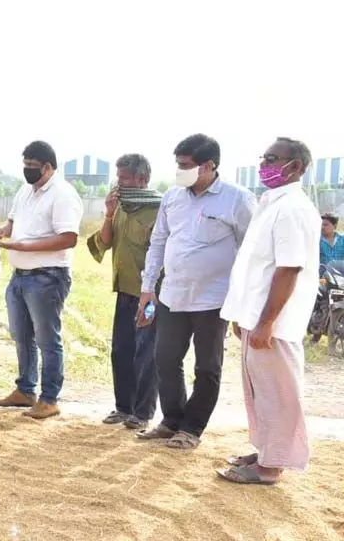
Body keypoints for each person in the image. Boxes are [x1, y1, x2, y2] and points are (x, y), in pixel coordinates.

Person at [136, 134, 256, 449]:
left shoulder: (237, 199)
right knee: (165, 359)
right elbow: (158, 242)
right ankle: (171, 420)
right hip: (172, 295)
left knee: (207, 367)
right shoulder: (172, 197)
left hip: (213, 299)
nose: (180, 170)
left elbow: (250, 253)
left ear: (209, 165)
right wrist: (148, 288)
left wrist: (242, 302)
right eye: (178, 164)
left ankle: (191, 429)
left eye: (186, 165)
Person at [216, 138, 319, 484]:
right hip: (256, 318)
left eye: (274, 159)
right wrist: (242, 316)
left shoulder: (293, 208)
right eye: (265, 157)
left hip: (274, 323)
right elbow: (255, 267)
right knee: (260, 391)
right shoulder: (271, 203)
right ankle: (265, 450)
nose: (265, 164)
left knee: (278, 394)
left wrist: (266, 322)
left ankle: (271, 466)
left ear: (298, 167)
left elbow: (288, 269)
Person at [0, 141, 83, 418]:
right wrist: (2, 231)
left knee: (47, 339)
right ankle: (25, 390)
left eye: (32, 166)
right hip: (20, 276)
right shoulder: (24, 191)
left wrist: (22, 247)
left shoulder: (63, 194)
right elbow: (13, 224)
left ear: (48, 167)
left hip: (47, 277)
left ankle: (50, 398)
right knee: (21, 336)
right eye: (25, 165)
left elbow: (69, 238)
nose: (27, 170)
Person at [86, 154, 162, 430]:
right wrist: (108, 213)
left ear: (142, 179)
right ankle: (123, 407)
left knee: (146, 354)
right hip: (124, 293)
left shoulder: (159, 209)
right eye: (118, 179)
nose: (119, 184)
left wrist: (150, 291)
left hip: (150, 295)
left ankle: (142, 413)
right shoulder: (120, 207)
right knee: (121, 351)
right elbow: (104, 243)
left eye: (125, 179)